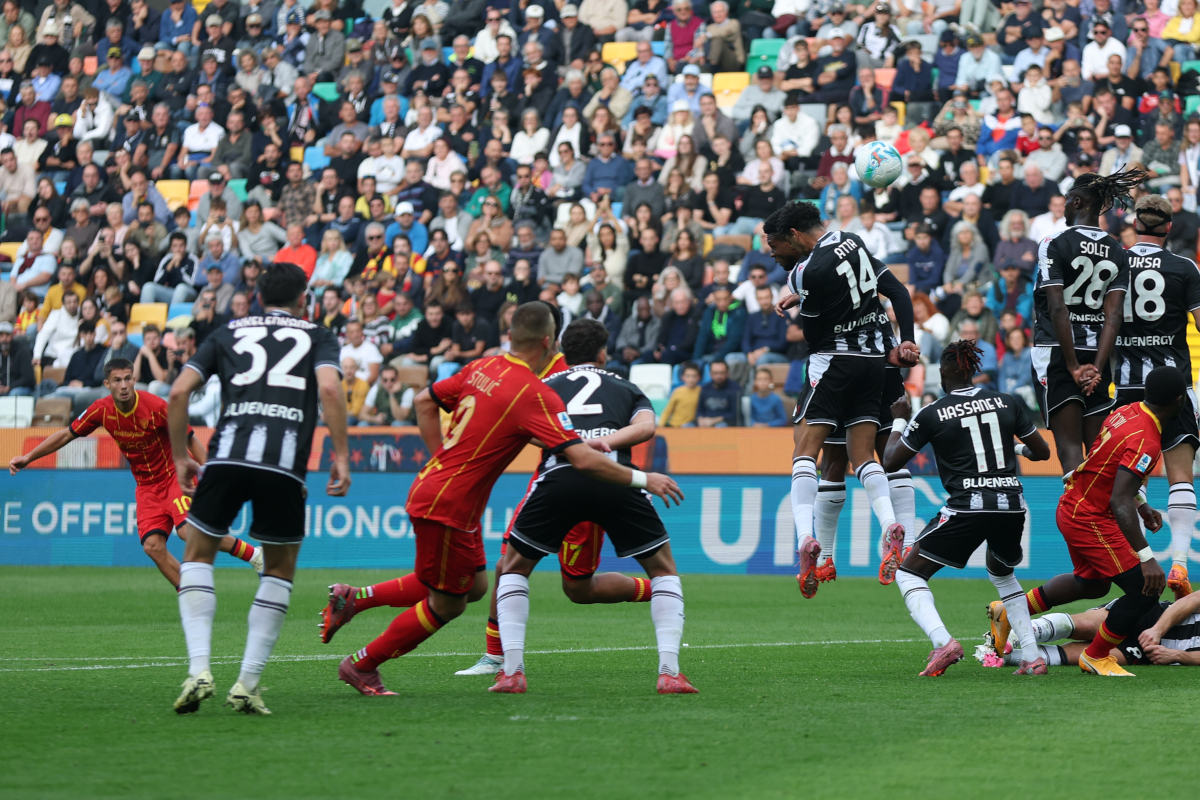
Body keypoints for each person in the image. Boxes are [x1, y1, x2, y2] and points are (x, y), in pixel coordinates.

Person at [329, 303, 683, 695]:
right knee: (452, 601)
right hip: (452, 504)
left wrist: (440, 459)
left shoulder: (483, 366)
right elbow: (583, 456)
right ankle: (364, 664)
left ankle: (357, 599)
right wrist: (642, 478)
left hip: (449, 494)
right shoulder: (534, 391)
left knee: (477, 585)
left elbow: (424, 401)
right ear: (549, 343)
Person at [167, 262, 349, 715]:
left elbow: (177, 393)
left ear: (260, 295)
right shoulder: (318, 335)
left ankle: (199, 670)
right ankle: (246, 683)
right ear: (303, 297)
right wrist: (341, 456)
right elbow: (329, 389)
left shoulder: (228, 331)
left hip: (226, 455)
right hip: (283, 465)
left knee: (197, 555)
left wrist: (179, 457)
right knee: (279, 569)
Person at [764, 200, 918, 588]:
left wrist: (803, 298)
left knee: (810, 453)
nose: (773, 253)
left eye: (775, 245)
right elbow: (891, 290)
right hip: (878, 361)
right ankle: (894, 532)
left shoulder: (806, 271)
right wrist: (908, 341)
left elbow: (814, 336)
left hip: (834, 364)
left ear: (795, 236)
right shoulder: (852, 241)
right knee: (867, 456)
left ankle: (807, 541)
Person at [8, 358, 263, 589]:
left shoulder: (156, 406)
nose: (124, 385)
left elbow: (190, 439)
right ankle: (192, 594)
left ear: (134, 379)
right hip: (146, 487)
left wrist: (210, 474)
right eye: (117, 380)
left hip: (173, 476)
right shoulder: (101, 410)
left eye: (128, 378)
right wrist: (28, 457)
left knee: (187, 532)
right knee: (152, 546)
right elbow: (66, 434)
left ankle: (254, 556)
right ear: (107, 384)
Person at [882, 340, 1052, 676]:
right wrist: (1012, 450)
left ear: (945, 372)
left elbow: (889, 461)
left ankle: (943, 642)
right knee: (1003, 574)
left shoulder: (932, 413)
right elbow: (1042, 452)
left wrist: (900, 420)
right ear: (971, 369)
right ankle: (1033, 658)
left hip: (968, 506)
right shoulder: (1007, 402)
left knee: (909, 572)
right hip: (1011, 505)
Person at [1003, 366, 1185, 676]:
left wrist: (1141, 505)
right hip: (1089, 517)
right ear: (1180, 401)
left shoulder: (1126, 412)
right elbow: (1118, 499)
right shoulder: (1148, 440)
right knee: (1145, 588)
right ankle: (1096, 655)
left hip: (1076, 505)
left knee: (1092, 583)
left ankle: (1005, 612)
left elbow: (1106, 467)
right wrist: (1146, 557)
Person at [1108, 196, 1200, 597]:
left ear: (1134, 223)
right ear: (1169, 226)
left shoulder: (1115, 265)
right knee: (1181, 476)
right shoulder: (1184, 267)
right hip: (1175, 386)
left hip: (1128, 388)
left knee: (1125, 482)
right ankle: (1179, 564)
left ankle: (1136, 565)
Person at [1031, 170, 1144, 475]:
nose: (1065, 206)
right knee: (1097, 453)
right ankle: (1101, 519)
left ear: (1077, 201)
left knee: (1068, 450)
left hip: (1057, 351)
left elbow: (1057, 308)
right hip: (1097, 356)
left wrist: (1072, 366)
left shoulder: (1054, 241)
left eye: (1067, 200)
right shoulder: (1118, 250)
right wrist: (1095, 365)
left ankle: (1076, 519)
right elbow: (1114, 316)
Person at [984, 588, 1200, 669]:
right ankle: (1013, 631)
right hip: (1154, 617)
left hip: (1156, 653)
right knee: (1088, 625)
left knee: (1082, 657)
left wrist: (1177, 655)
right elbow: (1191, 600)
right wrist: (1158, 630)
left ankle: (1001, 657)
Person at [661, 360, 702, 426]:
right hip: (675, 426)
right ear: (682, 377)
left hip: (691, 427)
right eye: (688, 376)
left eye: (694, 376)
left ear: (699, 377)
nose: (691, 379)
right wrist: (661, 425)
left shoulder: (701, 391)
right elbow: (668, 410)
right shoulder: (677, 391)